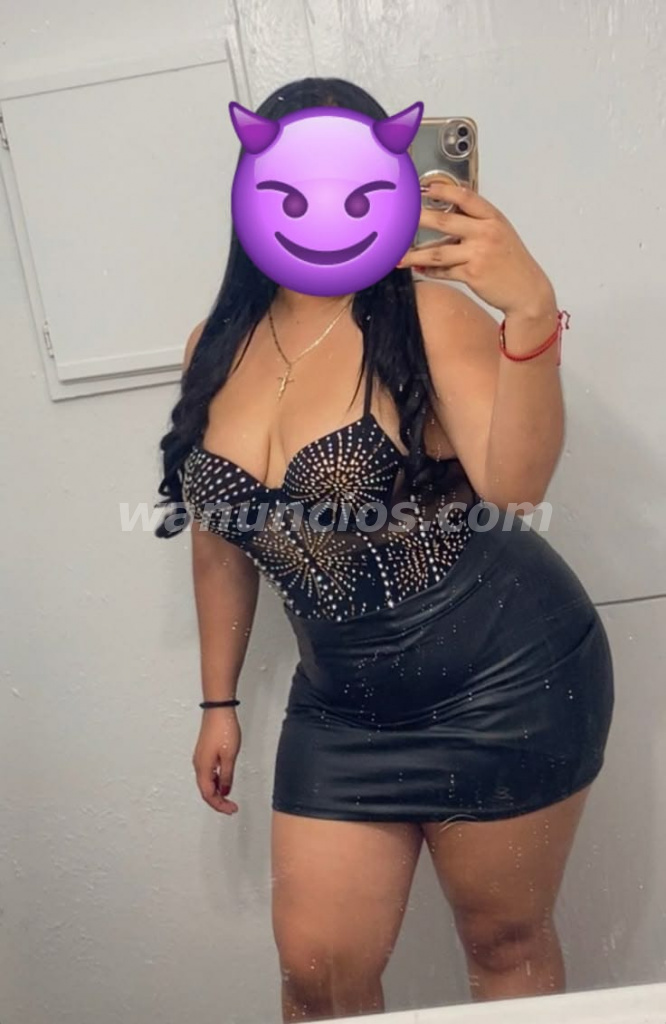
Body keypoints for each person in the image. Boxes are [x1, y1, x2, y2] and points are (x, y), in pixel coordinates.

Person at [154, 77, 614, 1021]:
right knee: (317, 973)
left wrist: (530, 314)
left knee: (504, 944)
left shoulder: (427, 315)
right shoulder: (213, 344)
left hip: (506, 680)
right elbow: (221, 538)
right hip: (343, 710)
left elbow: (516, 490)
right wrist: (217, 701)